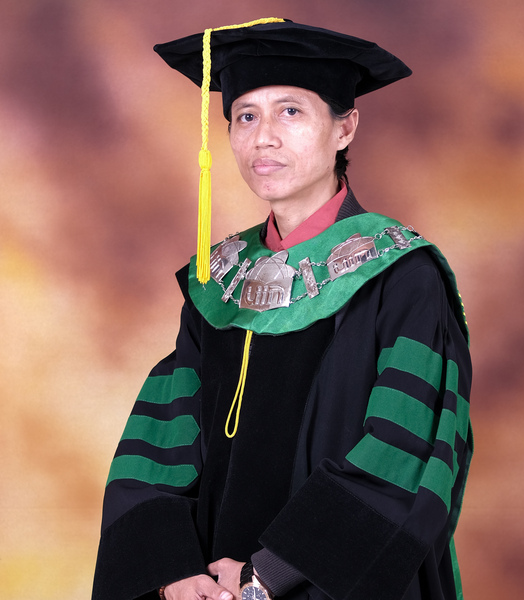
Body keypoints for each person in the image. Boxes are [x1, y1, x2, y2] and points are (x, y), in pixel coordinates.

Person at [92, 18, 473, 600]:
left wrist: (267, 576)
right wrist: (173, 570)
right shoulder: (220, 282)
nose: (263, 137)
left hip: (325, 582)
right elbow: (163, 441)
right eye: (245, 116)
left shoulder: (401, 276)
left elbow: (405, 455)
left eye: (290, 111)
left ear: (345, 127)